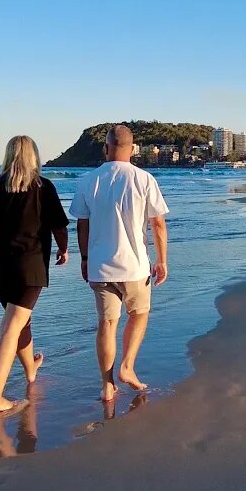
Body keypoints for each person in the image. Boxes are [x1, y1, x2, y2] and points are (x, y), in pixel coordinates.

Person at [0, 135, 69, 415]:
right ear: (34, 156)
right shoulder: (43, 187)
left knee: (21, 321)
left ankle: (30, 370)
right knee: (12, 326)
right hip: (30, 266)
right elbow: (60, 226)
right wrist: (64, 248)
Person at [70, 125, 170, 402]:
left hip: (100, 267)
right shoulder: (144, 179)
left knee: (106, 323)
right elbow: (158, 224)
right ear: (133, 149)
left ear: (106, 148)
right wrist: (162, 260)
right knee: (139, 314)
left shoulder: (89, 180)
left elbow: (82, 224)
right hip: (135, 266)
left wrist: (85, 258)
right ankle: (127, 366)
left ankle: (106, 384)